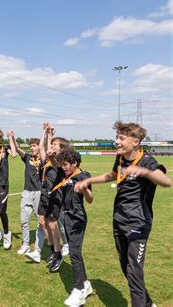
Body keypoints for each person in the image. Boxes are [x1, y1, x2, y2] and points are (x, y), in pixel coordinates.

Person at [76, 121, 171, 307]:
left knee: (135, 272)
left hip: (138, 223)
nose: (116, 141)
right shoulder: (120, 158)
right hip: (118, 220)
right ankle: (148, 303)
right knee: (126, 268)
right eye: (116, 137)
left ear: (135, 141)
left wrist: (144, 171)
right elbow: (111, 176)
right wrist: (87, 181)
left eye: (121, 138)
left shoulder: (147, 161)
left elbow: (165, 181)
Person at [56, 148, 93, 306]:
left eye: (65, 165)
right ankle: (86, 284)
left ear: (74, 163)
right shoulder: (67, 176)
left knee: (74, 252)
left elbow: (90, 199)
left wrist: (84, 189)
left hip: (77, 218)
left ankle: (79, 290)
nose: (63, 167)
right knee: (74, 251)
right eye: (62, 165)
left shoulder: (83, 176)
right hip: (66, 218)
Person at [29, 124, 68, 271]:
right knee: (42, 222)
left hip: (56, 196)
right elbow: (42, 150)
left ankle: (57, 254)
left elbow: (54, 159)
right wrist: (47, 133)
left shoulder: (60, 160)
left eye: (55, 145)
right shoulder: (47, 159)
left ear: (62, 149)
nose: (52, 146)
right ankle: (53, 249)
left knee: (52, 224)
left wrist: (50, 147)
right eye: (52, 145)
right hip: (44, 194)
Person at [12, 136, 44, 255]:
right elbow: (17, 148)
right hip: (26, 192)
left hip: (39, 192)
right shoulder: (27, 157)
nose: (31, 148)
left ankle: (37, 249)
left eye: (34, 146)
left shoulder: (44, 159)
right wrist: (12, 137)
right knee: (23, 220)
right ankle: (25, 244)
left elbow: (43, 148)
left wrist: (45, 133)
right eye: (30, 146)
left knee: (40, 221)